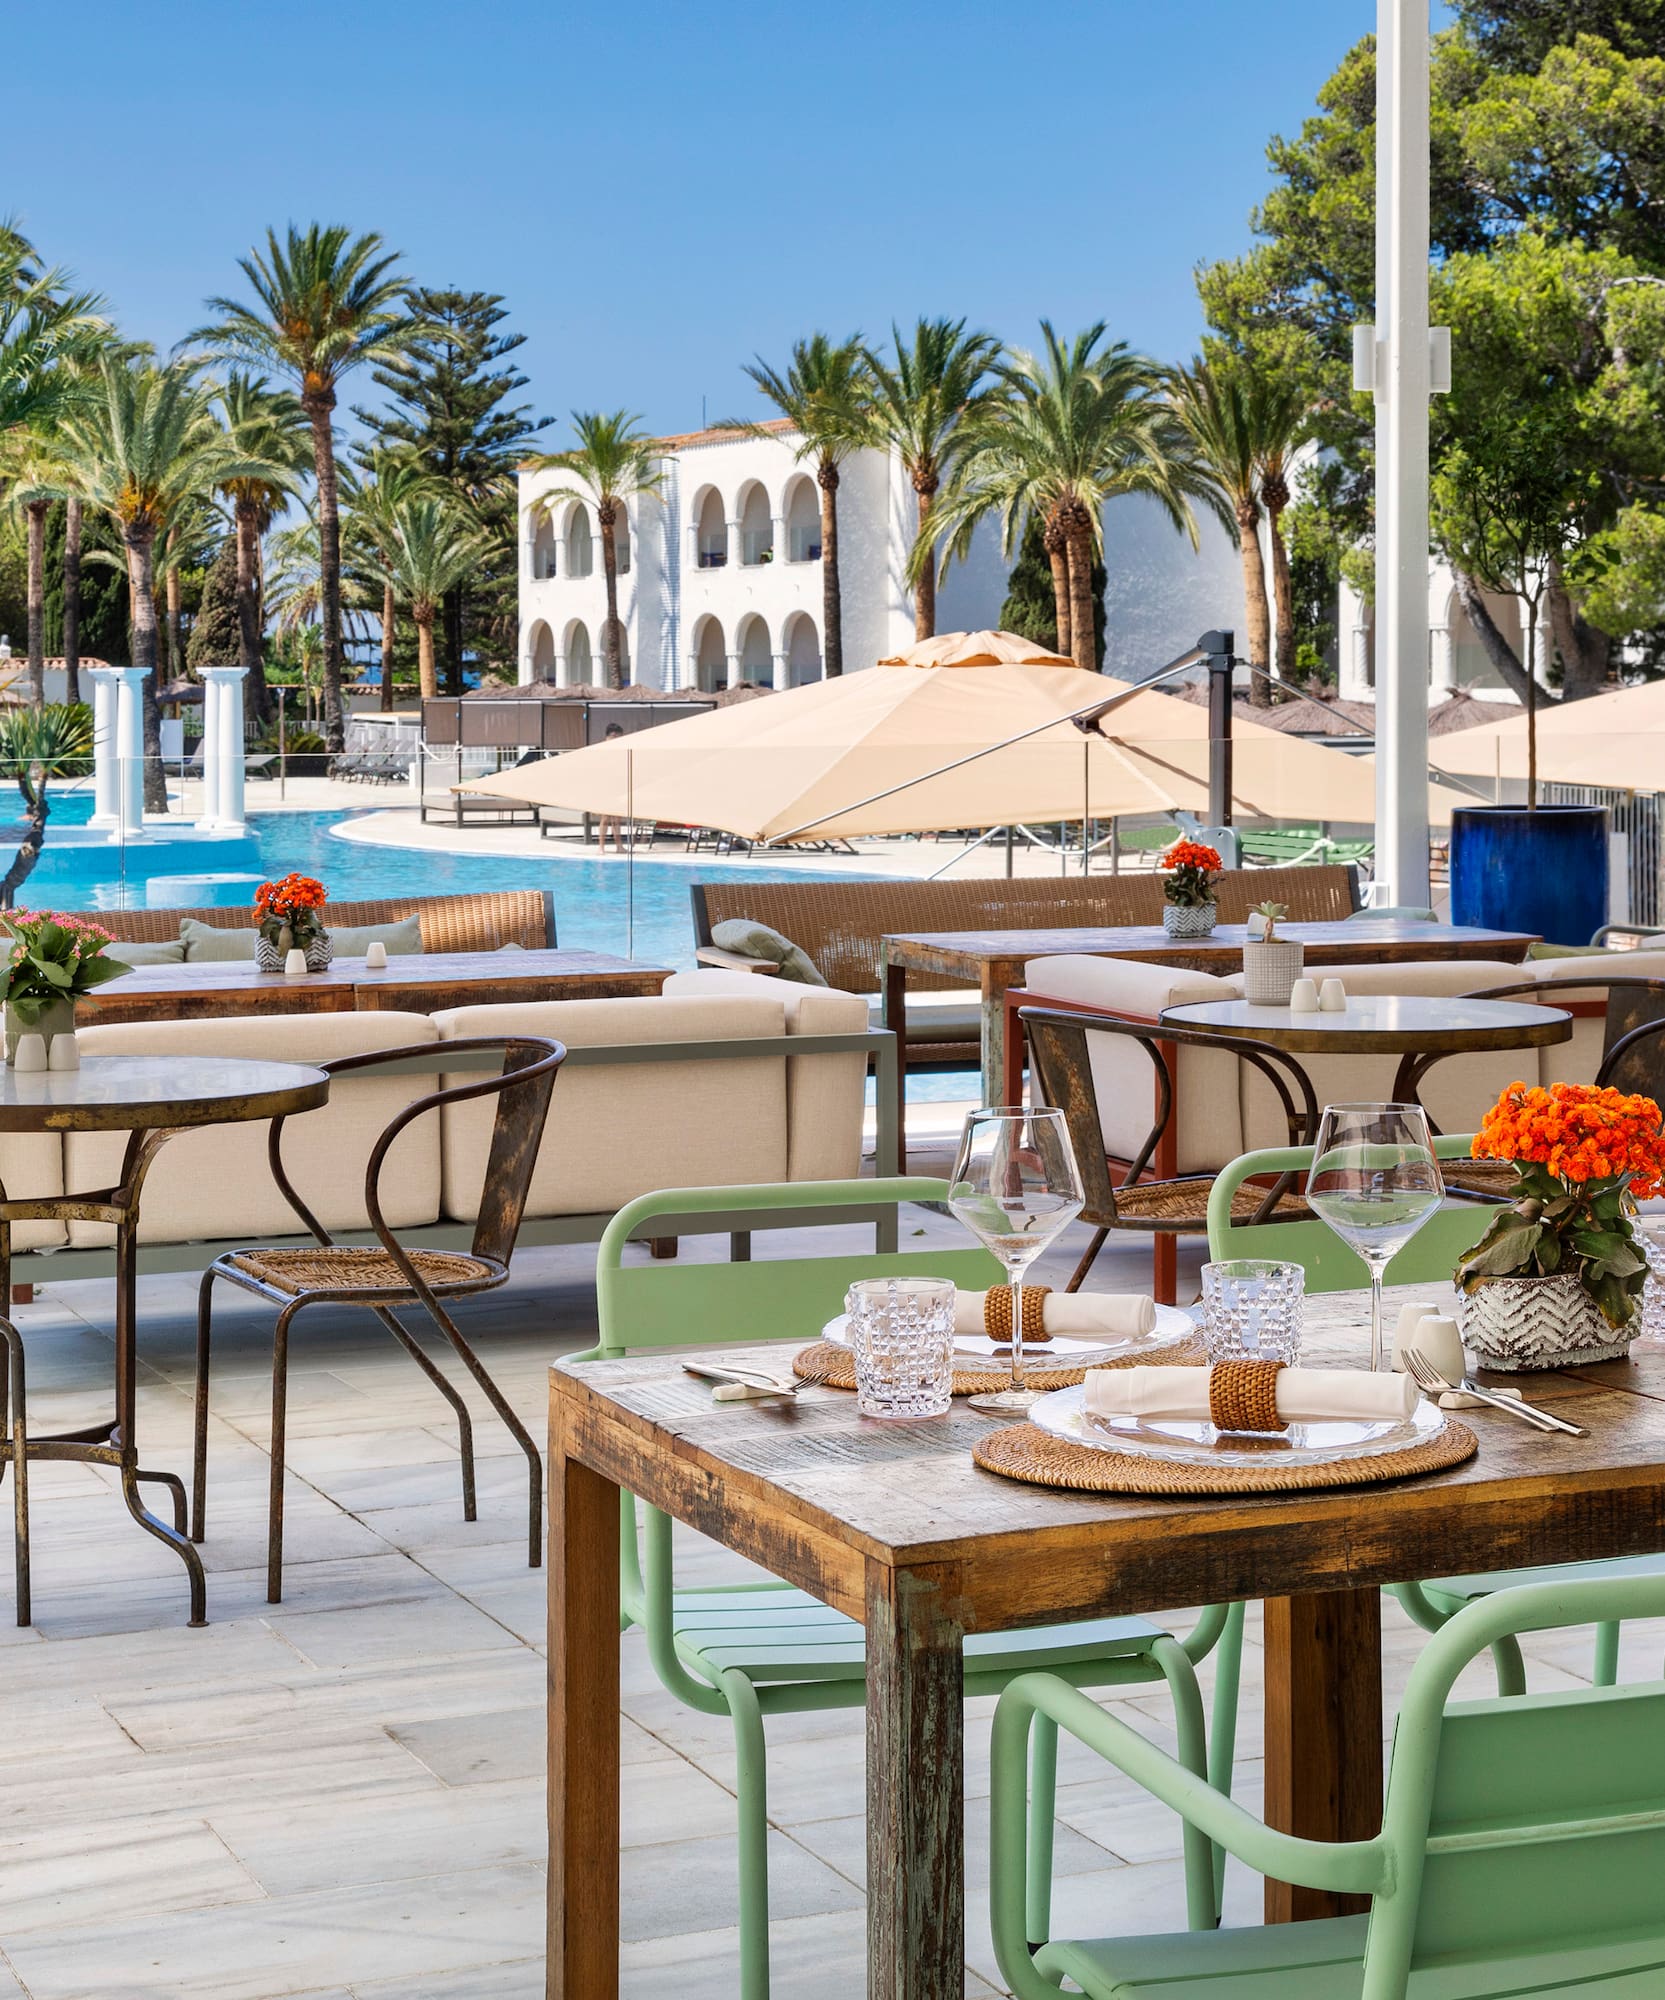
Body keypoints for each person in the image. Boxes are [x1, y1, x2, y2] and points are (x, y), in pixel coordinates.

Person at [596, 723, 627, 853]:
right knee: (605, 818)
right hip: (605, 786)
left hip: (617, 785)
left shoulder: (620, 750)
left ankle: (619, 846)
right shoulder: (603, 749)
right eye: (616, 736)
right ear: (610, 736)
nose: (618, 739)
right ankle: (601, 846)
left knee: (617, 819)